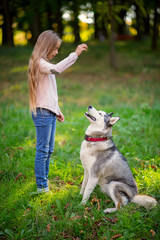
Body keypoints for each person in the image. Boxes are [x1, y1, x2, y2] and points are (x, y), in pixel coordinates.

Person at [28, 30, 88, 193]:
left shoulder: (44, 64)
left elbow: (48, 92)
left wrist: (57, 109)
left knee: (49, 149)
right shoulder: (40, 63)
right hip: (42, 113)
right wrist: (74, 54)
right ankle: (42, 186)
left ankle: (44, 182)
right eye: (54, 49)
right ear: (46, 47)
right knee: (42, 150)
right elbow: (57, 69)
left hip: (49, 111)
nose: (56, 52)